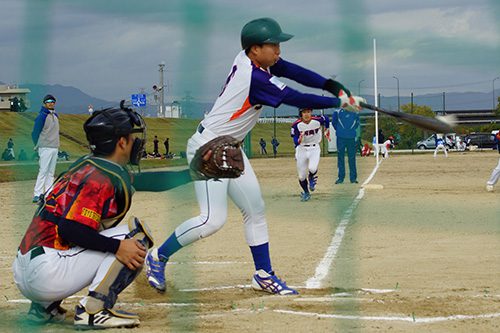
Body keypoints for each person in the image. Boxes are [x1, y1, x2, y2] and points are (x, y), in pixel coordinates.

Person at [145, 17, 365, 296]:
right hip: (209, 148)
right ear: (255, 49)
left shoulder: (252, 60)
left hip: (230, 147)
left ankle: (263, 274)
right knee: (212, 219)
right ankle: (157, 257)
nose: (278, 51)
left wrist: (332, 86)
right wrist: (340, 103)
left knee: (255, 209)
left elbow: (294, 71)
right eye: (273, 45)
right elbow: (296, 98)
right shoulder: (255, 78)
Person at [13, 105, 152, 329]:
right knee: (136, 237)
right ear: (122, 142)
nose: (135, 142)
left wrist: (192, 174)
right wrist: (117, 248)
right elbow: (70, 229)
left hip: (26, 269)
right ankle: (94, 310)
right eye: (131, 136)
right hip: (47, 273)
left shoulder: (86, 167)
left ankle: (43, 308)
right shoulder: (100, 177)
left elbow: (147, 182)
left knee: (91, 228)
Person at [291, 108, 330, 201]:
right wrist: (298, 141)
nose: (307, 114)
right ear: (301, 114)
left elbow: (326, 119)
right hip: (301, 149)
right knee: (301, 176)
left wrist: (326, 128)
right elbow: (295, 139)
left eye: (308, 112)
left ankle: (311, 176)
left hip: (314, 148)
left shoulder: (317, 120)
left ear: (311, 112)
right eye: (304, 112)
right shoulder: (296, 125)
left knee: (313, 168)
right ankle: (306, 192)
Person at [31, 95, 60, 203]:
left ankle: (49, 193)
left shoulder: (55, 115)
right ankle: (37, 194)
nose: (51, 103)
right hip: (45, 147)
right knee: (43, 171)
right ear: (44, 103)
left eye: (52, 101)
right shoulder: (41, 116)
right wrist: (37, 145)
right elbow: (35, 132)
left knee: (51, 172)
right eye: (48, 101)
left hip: (54, 147)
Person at [331, 108, 360, 184]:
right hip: (341, 138)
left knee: (352, 158)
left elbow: (357, 123)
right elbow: (334, 123)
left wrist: (350, 131)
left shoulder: (355, 112)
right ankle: (340, 178)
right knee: (341, 157)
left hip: (351, 137)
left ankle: (353, 178)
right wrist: (340, 131)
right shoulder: (337, 112)